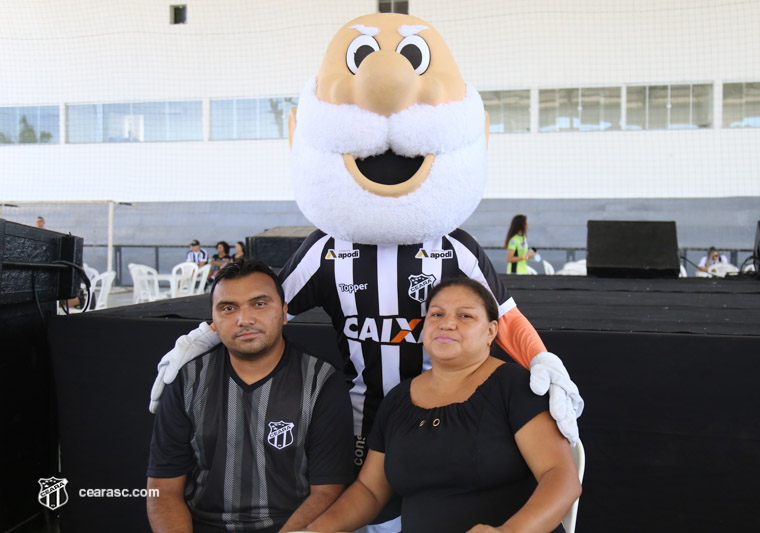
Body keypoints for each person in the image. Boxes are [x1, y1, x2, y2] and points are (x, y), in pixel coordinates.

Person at [149, 14, 583, 531]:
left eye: (458, 314)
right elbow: (264, 305)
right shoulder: (326, 251)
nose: (444, 320)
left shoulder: (458, 254)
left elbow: (505, 317)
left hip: (457, 410)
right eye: (437, 311)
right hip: (366, 418)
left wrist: (542, 360)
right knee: (369, 505)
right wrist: (201, 340)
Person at [306, 278, 581, 533]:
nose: (447, 324)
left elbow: (561, 478)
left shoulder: (516, 385)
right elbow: (370, 491)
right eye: (436, 314)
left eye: (465, 316)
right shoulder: (399, 399)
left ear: (491, 331)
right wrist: (313, 531)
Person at [146, 259, 353, 533]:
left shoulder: (321, 382)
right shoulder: (186, 380)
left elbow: (327, 493)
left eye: (259, 304)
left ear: (283, 312)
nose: (245, 319)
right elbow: (162, 489)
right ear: (214, 322)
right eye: (228, 308)